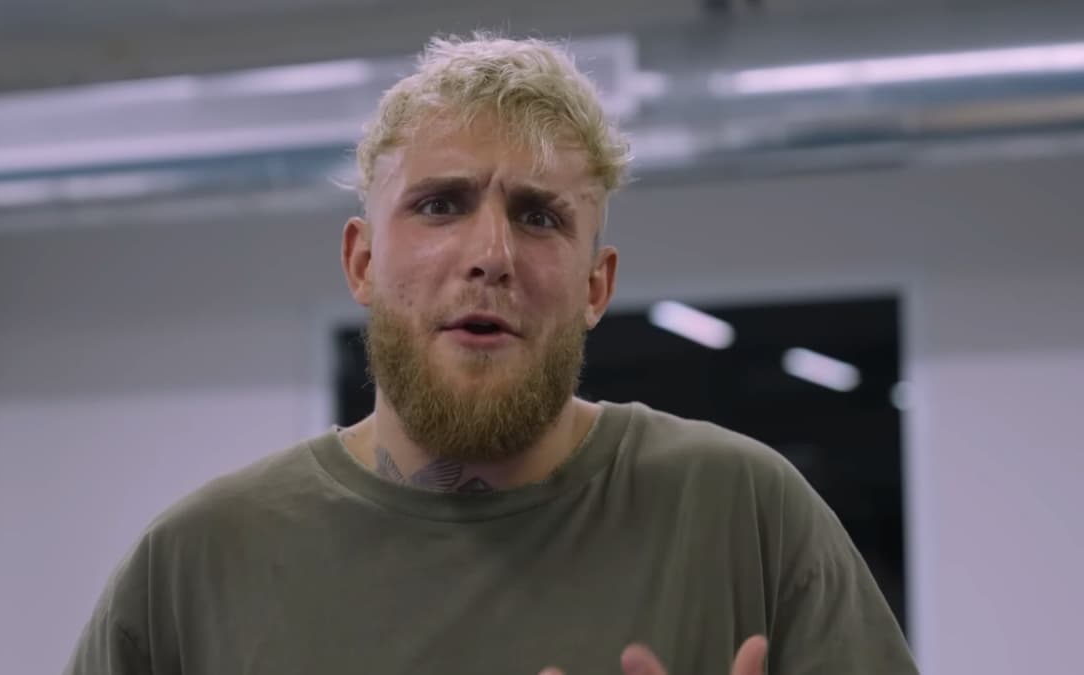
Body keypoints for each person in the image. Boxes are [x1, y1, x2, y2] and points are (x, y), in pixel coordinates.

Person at [65, 33, 919, 675]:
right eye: (441, 205)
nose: (491, 254)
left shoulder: (744, 516)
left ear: (595, 285)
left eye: (540, 215)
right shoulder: (197, 563)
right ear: (362, 261)